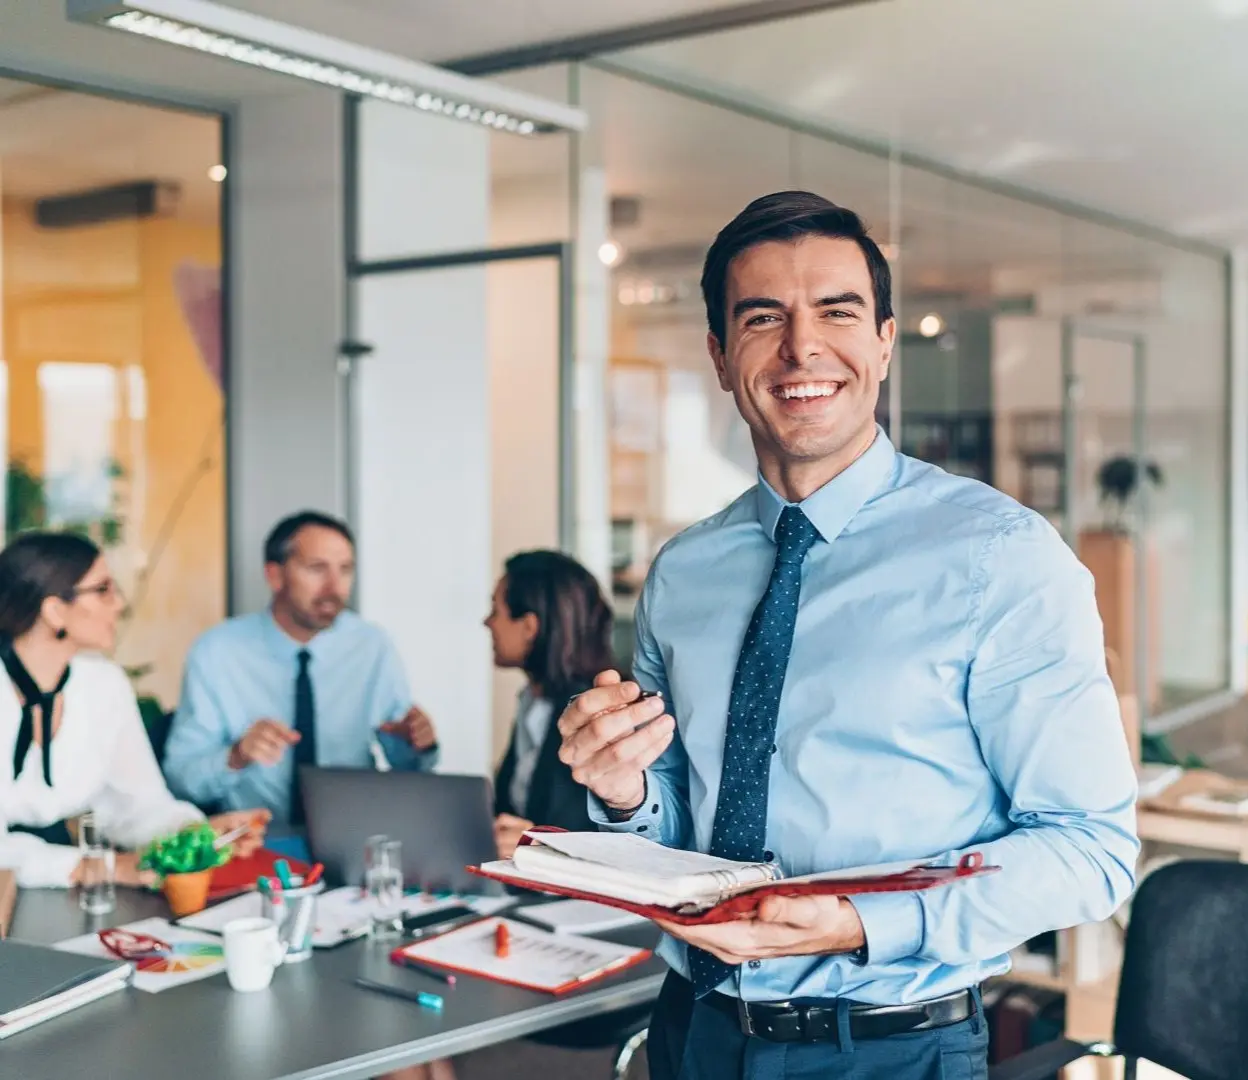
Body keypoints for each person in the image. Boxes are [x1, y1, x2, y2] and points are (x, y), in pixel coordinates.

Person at [557, 192, 1140, 1080]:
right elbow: (679, 826)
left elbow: (1090, 849)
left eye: (837, 311)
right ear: (720, 355)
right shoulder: (684, 572)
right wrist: (627, 790)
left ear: (884, 341)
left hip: (888, 1048)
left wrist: (860, 922)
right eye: (763, 317)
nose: (802, 348)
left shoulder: (1001, 557)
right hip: (695, 1032)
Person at [0, 531, 266, 888]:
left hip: (68, 891)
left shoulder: (104, 685)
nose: (120, 603)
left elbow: (136, 806)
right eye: (103, 590)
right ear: (54, 610)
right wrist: (101, 868)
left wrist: (196, 833)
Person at [163, 511, 437, 823]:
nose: (334, 587)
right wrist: (236, 757)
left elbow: (411, 770)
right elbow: (181, 779)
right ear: (275, 575)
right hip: (256, 841)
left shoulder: (372, 646)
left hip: (354, 833)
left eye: (345, 570)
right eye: (317, 568)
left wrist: (417, 745)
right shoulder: (217, 652)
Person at [487, 550, 615, 857]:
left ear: (530, 627)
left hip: (575, 899)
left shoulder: (595, 714)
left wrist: (542, 846)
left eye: (495, 610)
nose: (487, 622)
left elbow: (609, 842)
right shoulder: (531, 702)